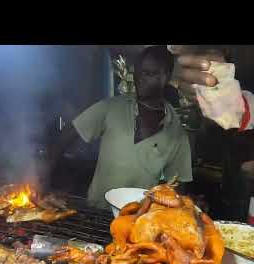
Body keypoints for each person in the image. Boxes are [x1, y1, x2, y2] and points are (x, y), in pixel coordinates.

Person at [49, 45, 193, 209]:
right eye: (137, 73)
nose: (139, 80)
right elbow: (65, 137)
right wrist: (43, 179)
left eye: (148, 74)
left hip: (136, 220)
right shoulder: (111, 108)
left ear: (164, 77)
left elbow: (177, 187)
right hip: (95, 212)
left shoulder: (177, 135)